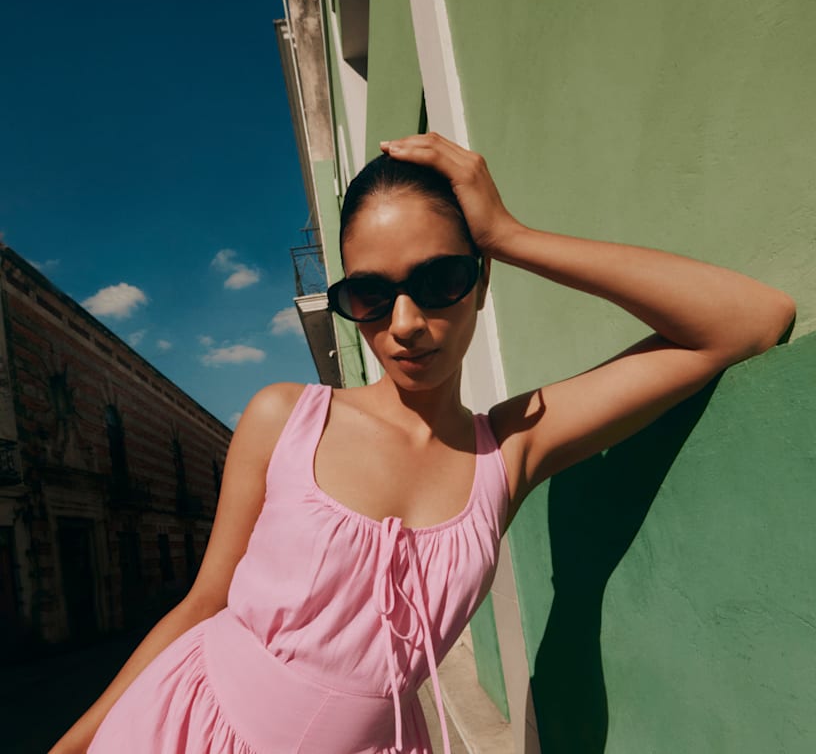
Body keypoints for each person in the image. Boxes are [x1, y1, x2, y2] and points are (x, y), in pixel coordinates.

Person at [53, 132, 795, 754]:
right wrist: (76, 742)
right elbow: (205, 601)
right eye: (370, 295)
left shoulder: (508, 448)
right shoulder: (287, 418)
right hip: (189, 726)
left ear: (480, 279)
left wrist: (512, 233)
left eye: (439, 278)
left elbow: (750, 320)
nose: (404, 322)